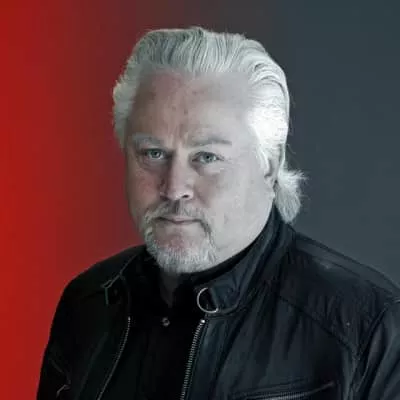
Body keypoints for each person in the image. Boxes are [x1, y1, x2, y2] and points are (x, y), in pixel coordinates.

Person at [37, 27, 400, 400]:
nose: (174, 187)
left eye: (206, 157)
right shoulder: (88, 305)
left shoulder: (369, 327)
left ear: (269, 164)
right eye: (153, 153)